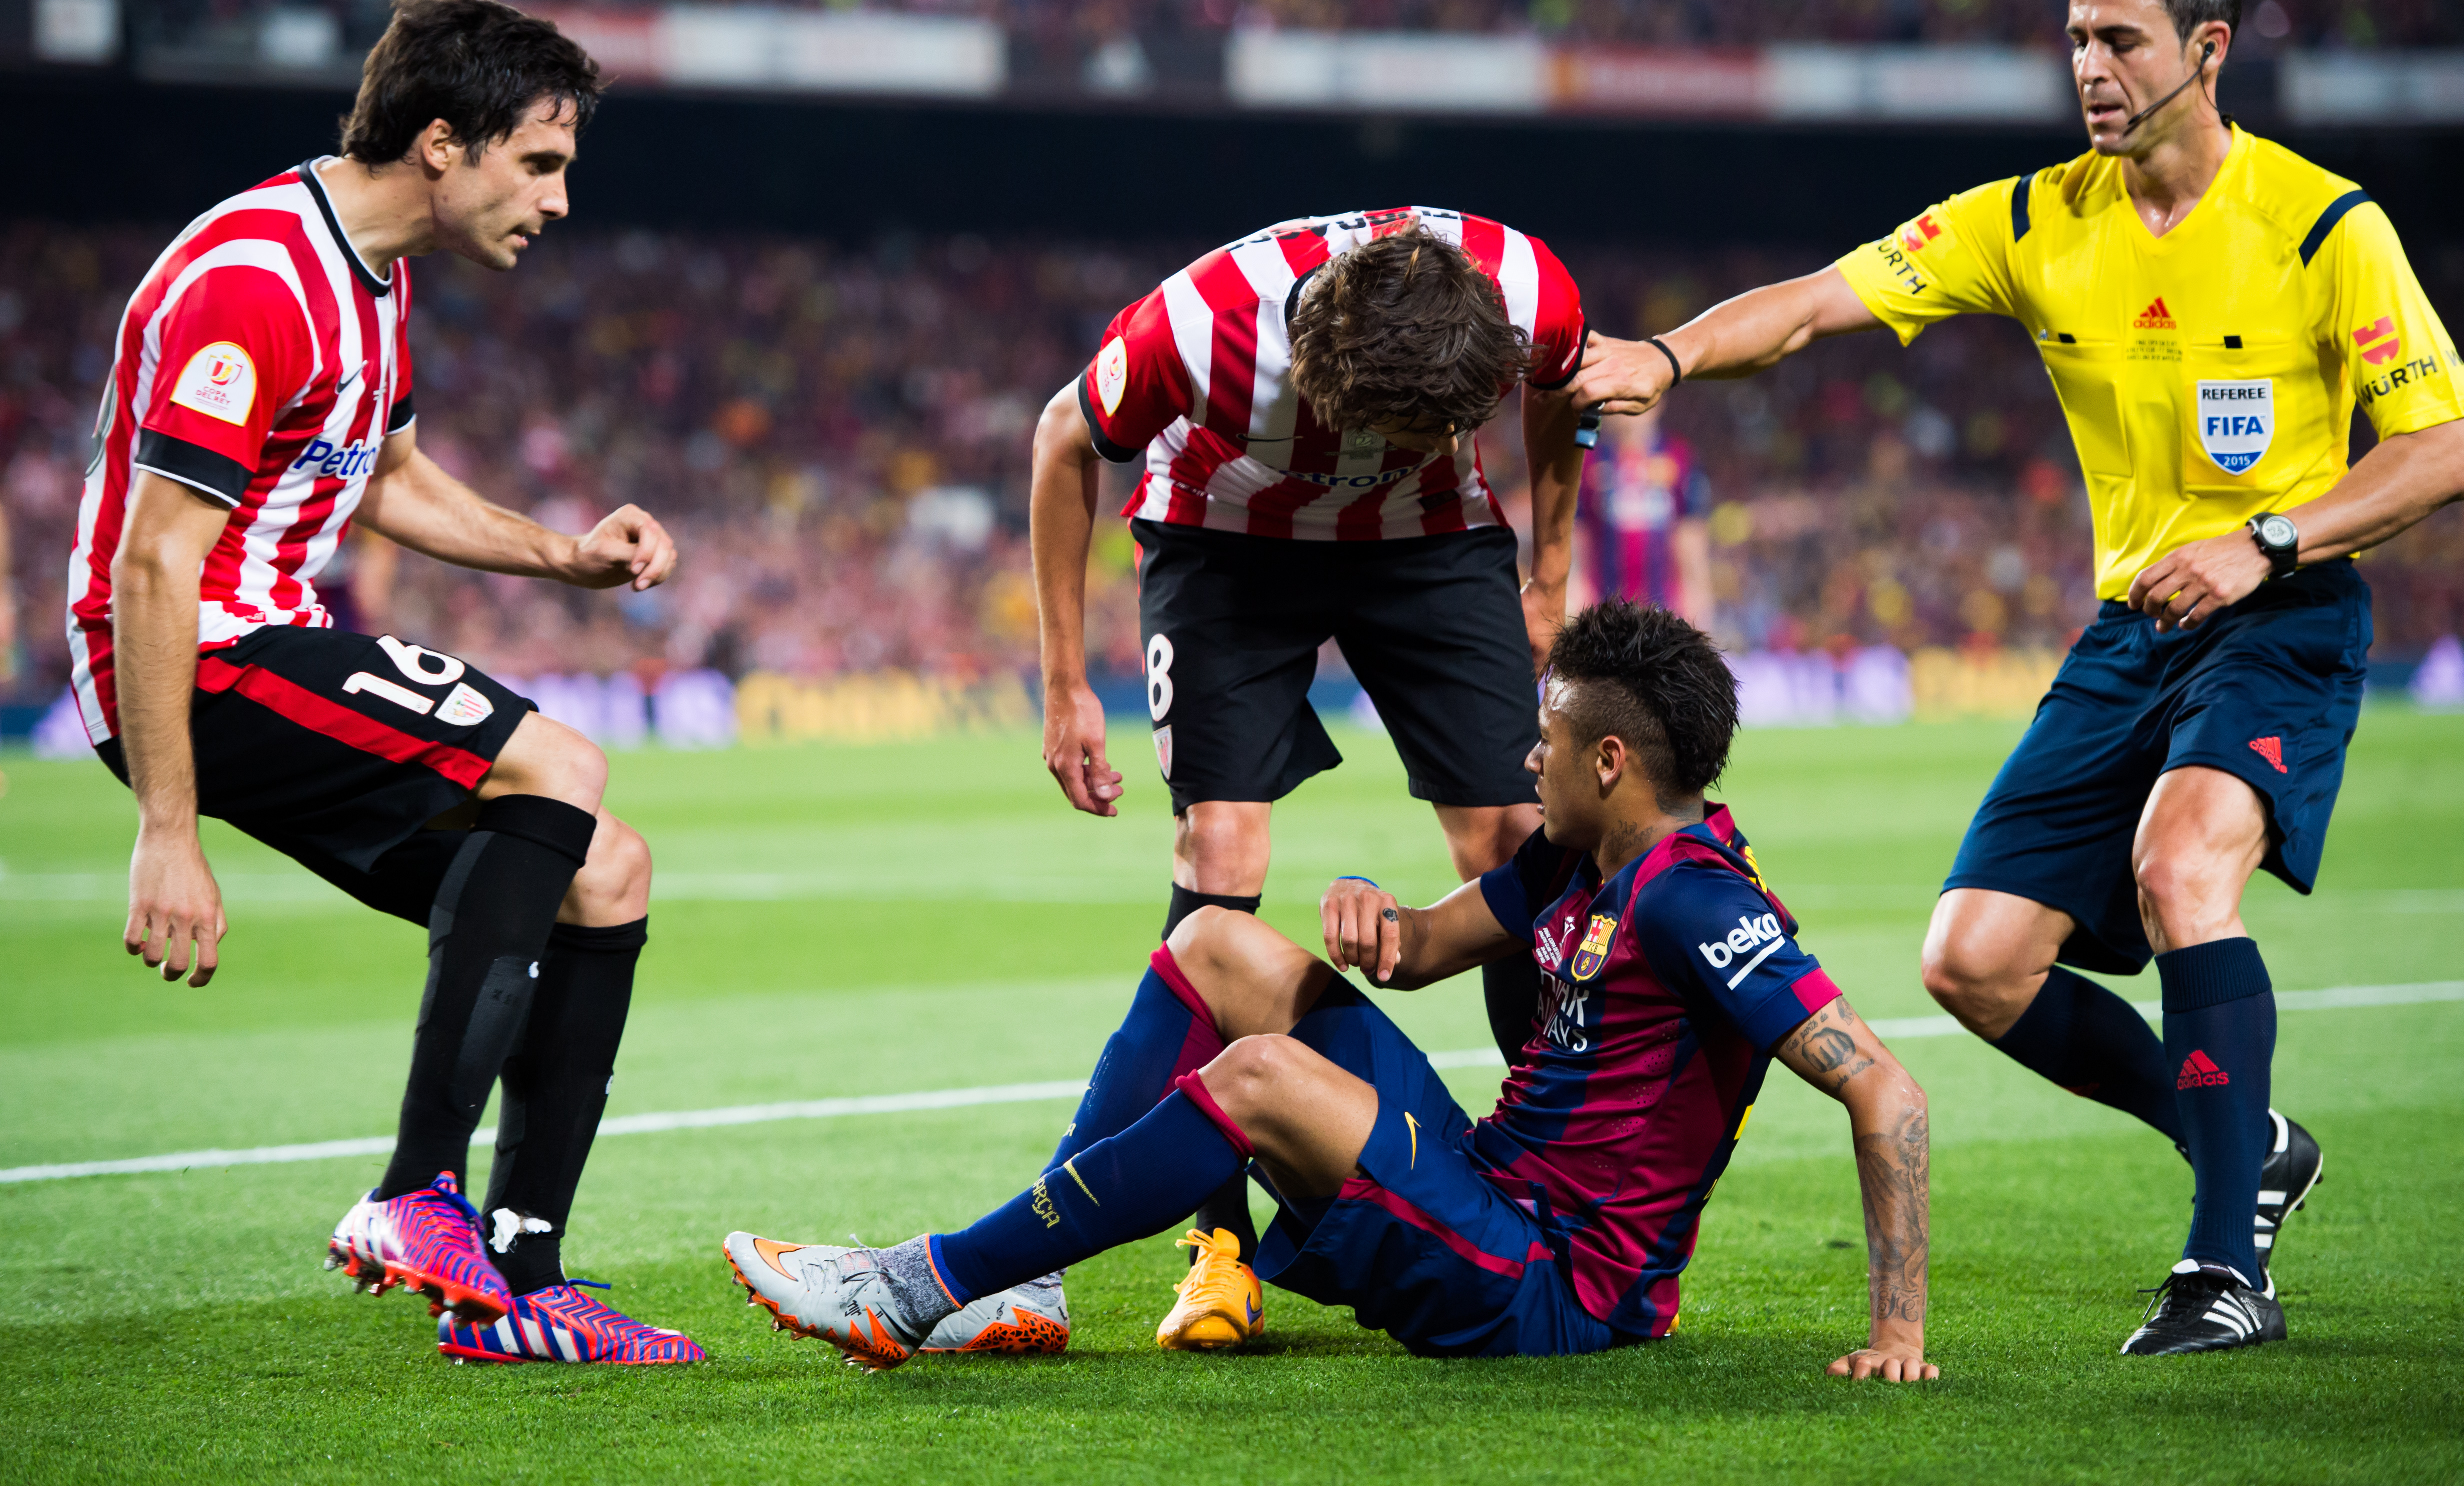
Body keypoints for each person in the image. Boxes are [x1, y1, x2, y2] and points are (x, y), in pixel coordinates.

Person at [1569, 0, 2464, 1355]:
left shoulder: (2321, 227)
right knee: (1972, 961)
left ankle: (2224, 1268)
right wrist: (1669, 355)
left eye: (2119, 39)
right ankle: (2250, 1145)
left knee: (2185, 870)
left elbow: (2442, 443)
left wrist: (2268, 542)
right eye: (2074, 41)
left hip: (2283, 611)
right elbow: (1816, 303)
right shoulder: (2036, 223)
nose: (2090, 68)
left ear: (2209, 49)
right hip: (2130, 633)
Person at [721, 600, 1938, 1381]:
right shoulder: (1576, 858)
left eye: (1549, 738)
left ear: (1610, 759)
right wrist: (1371, 907)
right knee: (1218, 941)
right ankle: (1023, 1280)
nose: (1529, 755)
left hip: (1558, 1284)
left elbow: (1887, 1089)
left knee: (1255, 1078)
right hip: (1491, 1185)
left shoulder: (1698, 898)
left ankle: (907, 1288)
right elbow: (1416, 945)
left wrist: (1897, 1335)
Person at [66, 0, 706, 1365]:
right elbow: (153, 567)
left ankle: (522, 1280)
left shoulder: (373, 275)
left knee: (608, 868)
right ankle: (413, 1194)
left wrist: (567, 558)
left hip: (255, 637)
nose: (560, 200)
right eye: (540, 163)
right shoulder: (256, 280)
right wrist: (165, 831)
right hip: (185, 657)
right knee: (559, 762)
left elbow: (392, 482)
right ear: (442, 142)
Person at [1028, 207, 1590, 1344]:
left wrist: (1552, 574)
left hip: (1431, 545)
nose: (1420, 437)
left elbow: (1564, 387)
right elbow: (1059, 438)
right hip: (1225, 542)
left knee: (1518, 843)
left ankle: (1556, 1191)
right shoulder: (1194, 330)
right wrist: (1062, 683)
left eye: (1446, 421)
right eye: (1401, 426)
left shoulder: (1527, 284)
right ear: (1322, 392)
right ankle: (1218, 1250)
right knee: (1222, 854)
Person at [1578, 408, 1714, 626]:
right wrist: (1576, 594)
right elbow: (1577, 537)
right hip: (1603, 613)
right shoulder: (1589, 459)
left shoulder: (1679, 455)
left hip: (1667, 612)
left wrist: (1699, 599)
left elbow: (1691, 535)